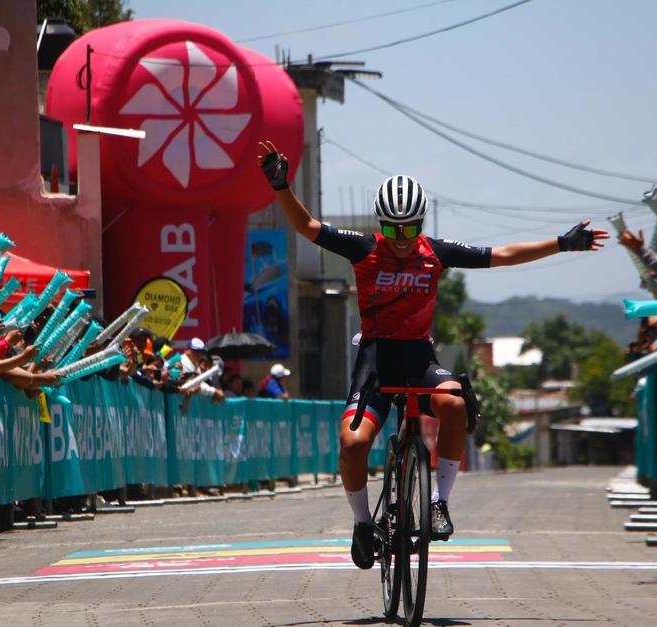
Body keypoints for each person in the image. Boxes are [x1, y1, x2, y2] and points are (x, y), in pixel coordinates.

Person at [257, 140, 609, 569]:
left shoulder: (435, 253)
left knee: (455, 404)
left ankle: (439, 502)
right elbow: (308, 226)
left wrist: (561, 243)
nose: (401, 240)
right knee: (352, 444)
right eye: (392, 229)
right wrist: (281, 187)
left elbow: (502, 255)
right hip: (376, 359)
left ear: (420, 224)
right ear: (380, 224)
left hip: (419, 359)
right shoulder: (363, 248)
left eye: (409, 229)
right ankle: (363, 524)